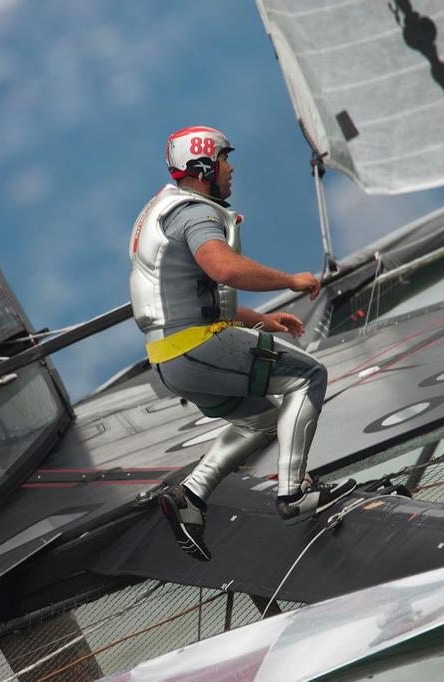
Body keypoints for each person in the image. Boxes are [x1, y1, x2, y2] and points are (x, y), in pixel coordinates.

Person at [128, 126, 356, 561]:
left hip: (169, 358)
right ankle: (293, 495)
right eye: (225, 160)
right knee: (309, 375)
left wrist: (260, 320)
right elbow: (223, 269)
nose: (232, 169)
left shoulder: (164, 210)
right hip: (198, 347)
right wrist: (291, 279)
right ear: (203, 168)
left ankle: (190, 497)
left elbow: (186, 297)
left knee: (260, 421)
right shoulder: (196, 215)